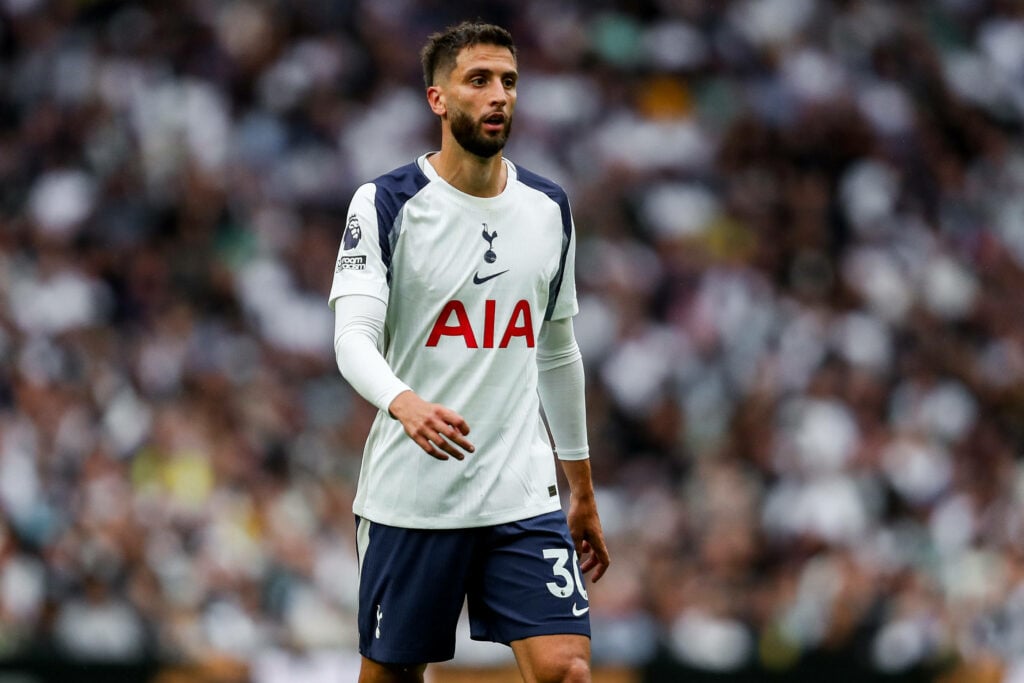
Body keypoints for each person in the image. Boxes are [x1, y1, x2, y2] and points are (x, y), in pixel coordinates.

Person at [327, 20, 611, 683]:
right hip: (413, 498)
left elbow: (556, 351)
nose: (498, 95)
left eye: (508, 81)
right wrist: (404, 403)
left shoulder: (548, 207)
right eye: (478, 80)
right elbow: (351, 337)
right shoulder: (387, 203)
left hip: (521, 495)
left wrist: (581, 488)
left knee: (567, 670)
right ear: (438, 98)